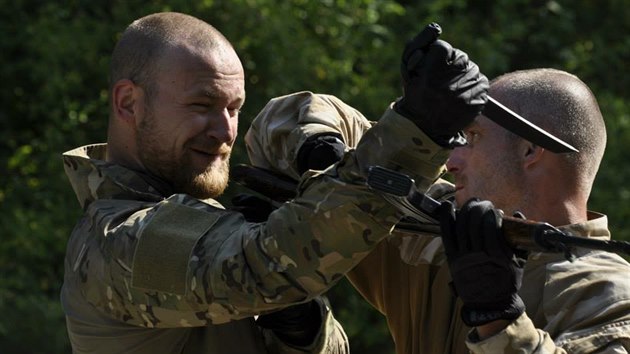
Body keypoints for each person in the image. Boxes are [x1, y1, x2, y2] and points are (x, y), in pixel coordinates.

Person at [60, 13, 488, 354]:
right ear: (128, 103)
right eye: (202, 105)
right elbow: (265, 267)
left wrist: (301, 328)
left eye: (233, 108)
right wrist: (416, 132)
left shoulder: (198, 217)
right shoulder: (115, 238)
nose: (224, 130)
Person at [243, 30, 630, 354]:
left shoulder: (608, 293)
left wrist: (499, 319)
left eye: (473, 138)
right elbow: (286, 115)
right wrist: (335, 159)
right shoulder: (436, 225)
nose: (451, 160)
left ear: (531, 151)